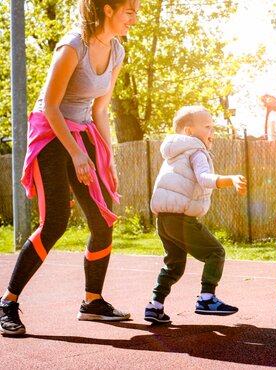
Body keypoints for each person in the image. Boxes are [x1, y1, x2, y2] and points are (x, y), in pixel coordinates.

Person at [0, 0, 140, 336]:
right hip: (51, 133)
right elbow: (49, 106)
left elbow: (101, 111)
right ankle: (7, 302)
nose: (135, 18)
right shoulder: (72, 45)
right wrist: (77, 154)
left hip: (82, 129)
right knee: (56, 223)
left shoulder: (117, 51)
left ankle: (93, 302)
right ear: (108, 9)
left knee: (102, 219)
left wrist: (107, 159)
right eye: (130, 11)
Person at [144, 106, 247, 324]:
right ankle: (207, 298)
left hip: (163, 219)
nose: (213, 131)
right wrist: (230, 179)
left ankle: (155, 305)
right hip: (181, 219)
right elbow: (204, 177)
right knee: (216, 252)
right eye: (208, 126)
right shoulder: (196, 150)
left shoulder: (173, 152)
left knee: (174, 265)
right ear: (190, 132)